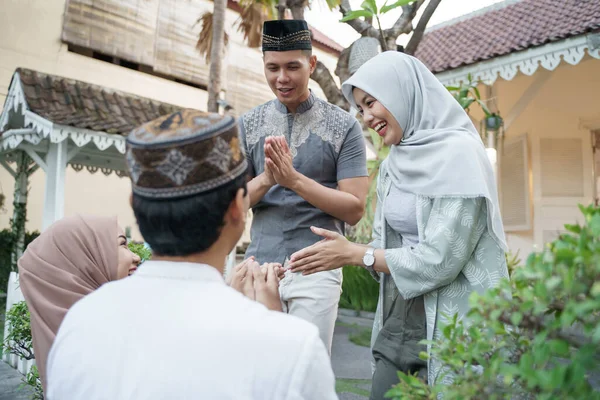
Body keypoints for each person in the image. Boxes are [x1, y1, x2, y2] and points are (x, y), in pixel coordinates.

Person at [45, 109, 338, 399]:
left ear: (135, 205)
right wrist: (274, 327)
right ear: (238, 207)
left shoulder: (80, 322)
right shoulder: (293, 348)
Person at [289, 51, 510, 397]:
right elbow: (381, 249)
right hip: (398, 321)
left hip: (458, 324)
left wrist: (356, 255)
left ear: (400, 92)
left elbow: (440, 260)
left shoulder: (460, 155)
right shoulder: (393, 165)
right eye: (360, 109)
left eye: (371, 102)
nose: (366, 117)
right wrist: (348, 250)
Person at [239, 19, 369, 354]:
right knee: (257, 374)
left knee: (305, 373)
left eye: (292, 67)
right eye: (273, 68)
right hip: (257, 267)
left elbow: (355, 209)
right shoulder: (248, 125)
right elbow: (232, 205)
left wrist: (293, 180)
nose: (282, 78)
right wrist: (268, 179)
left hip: (317, 268)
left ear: (311, 64)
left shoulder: (344, 126)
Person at [18, 214, 140, 391]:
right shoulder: (99, 335)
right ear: (85, 260)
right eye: (122, 244)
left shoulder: (63, 331)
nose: (135, 256)